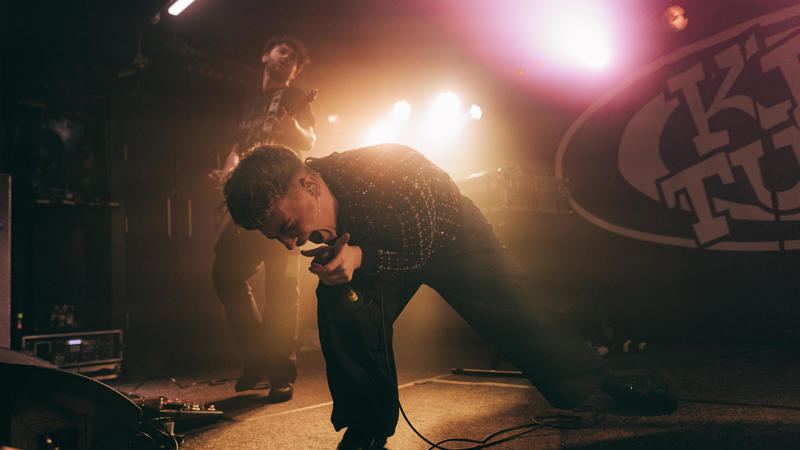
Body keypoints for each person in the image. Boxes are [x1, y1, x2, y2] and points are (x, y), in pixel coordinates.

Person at [223, 144, 677, 449]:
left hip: (453, 239)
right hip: (377, 250)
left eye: (288, 228)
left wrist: (360, 256)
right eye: (279, 238)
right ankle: (366, 429)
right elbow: (376, 265)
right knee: (341, 309)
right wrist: (344, 261)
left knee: (517, 312)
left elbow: (420, 248)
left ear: (310, 185)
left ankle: (599, 383)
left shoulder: (388, 168)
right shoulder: (315, 203)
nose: (291, 244)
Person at [207, 35, 316, 401]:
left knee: (282, 288)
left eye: (294, 57)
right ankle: (258, 355)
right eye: (282, 51)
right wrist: (227, 174)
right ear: (265, 55)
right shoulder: (248, 105)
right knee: (225, 275)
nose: (287, 58)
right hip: (248, 204)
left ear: (295, 71)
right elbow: (238, 149)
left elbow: (309, 137)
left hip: (284, 202)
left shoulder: (294, 97)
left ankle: (280, 372)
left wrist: (293, 130)